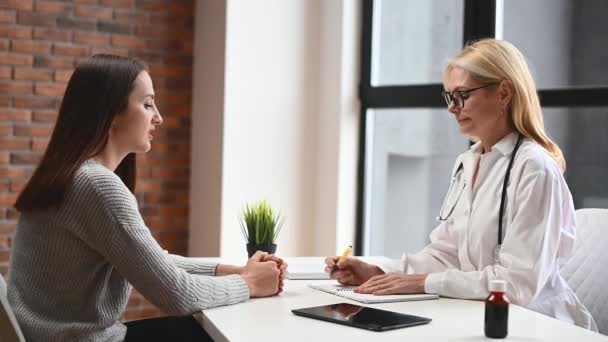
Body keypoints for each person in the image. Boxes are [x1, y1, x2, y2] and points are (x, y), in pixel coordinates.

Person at [7, 54, 287, 342]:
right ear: (111, 112)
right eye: (148, 104)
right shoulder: (97, 186)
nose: (159, 117)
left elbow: (150, 263)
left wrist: (231, 270)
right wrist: (247, 283)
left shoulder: (73, 176)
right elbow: (177, 295)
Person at [325, 39, 597, 330]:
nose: (453, 109)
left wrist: (423, 283)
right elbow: (446, 253)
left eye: (462, 95)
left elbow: (517, 284)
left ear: (504, 93)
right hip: (477, 318)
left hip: (538, 324)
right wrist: (378, 271)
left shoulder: (535, 168)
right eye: (450, 97)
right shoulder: (469, 162)